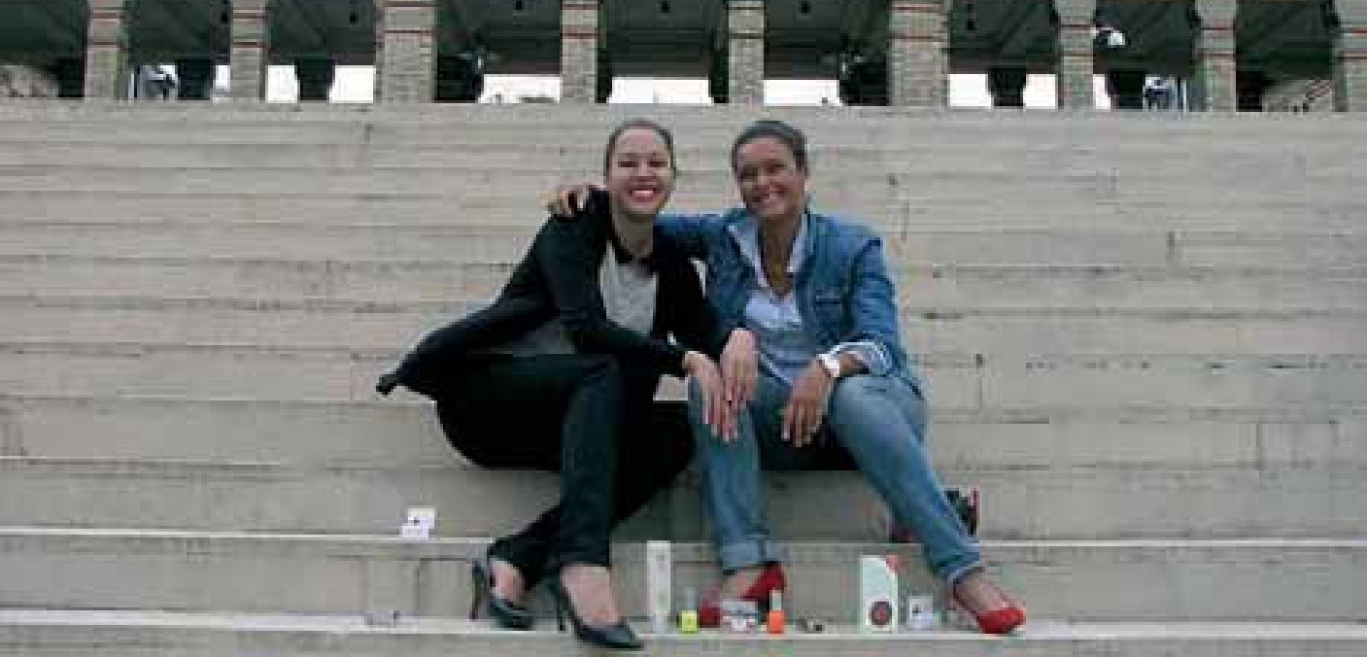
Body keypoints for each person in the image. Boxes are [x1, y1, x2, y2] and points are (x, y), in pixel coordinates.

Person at [553, 119, 1026, 635]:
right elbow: (642, 216)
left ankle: (962, 568)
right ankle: (747, 564)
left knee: (853, 397)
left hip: (869, 409)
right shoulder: (725, 237)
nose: (763, 184)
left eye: (776, 169)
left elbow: (882, 345)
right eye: (748, 174)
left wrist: (827, 368)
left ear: (804, 173)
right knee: (708, 381)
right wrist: (592, 198)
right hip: (782, 423)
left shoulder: (852, 245)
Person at [377, 119, 732, 650]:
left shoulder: (674, 268)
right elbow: (586, 329)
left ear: (675, 176)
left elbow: (708, 333)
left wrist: (737, 339)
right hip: (489, 403)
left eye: (656, 163)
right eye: (628, 162)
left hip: (580, 426)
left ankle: (519, 555)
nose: (643, 173)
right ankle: (584, 561)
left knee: (679, 432)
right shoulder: (573, 224)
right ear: (606, 177)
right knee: (602, 366)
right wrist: (684, 360)